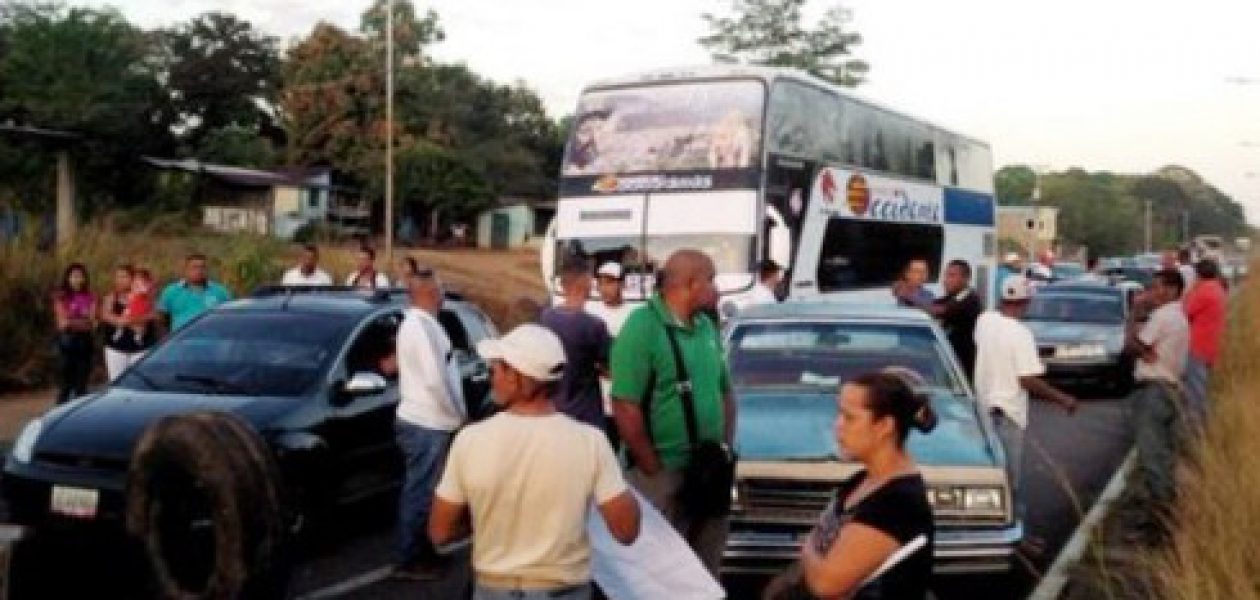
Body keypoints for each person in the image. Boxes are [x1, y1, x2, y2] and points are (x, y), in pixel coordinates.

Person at [429, 324, 641, 600]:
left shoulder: (470, 440)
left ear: (515, 376)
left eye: (496, 368)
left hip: (494, 588)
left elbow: (439, 531)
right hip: (566, 589)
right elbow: (626, 530)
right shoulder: (590, 442)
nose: (491, 377)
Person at [611, 249, 736, 576]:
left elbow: (724, 390)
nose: (716, 289)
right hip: (664, 474)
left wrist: (723, 447)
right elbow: (625, 403)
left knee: (704, 569)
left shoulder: (706, 327)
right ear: (691, 284)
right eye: (711, 280)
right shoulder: (643, 327)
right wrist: (652, 466)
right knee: (661, 573)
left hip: (707, 471)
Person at [766, 370, 937, 600]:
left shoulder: (897, 502)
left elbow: (826, 584)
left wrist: (808, 549)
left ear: (884, 426)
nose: (838, 426)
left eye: (849, 417)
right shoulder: (859, 481)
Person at [973, 275, 1078, 502]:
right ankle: (1017, 531)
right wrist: (1062, 399)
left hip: (982, 410)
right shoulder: (1022, 334)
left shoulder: (985, 321)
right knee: (1010, 481)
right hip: (1008, 412)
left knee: (990, 478)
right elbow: (1027, 379)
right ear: (1026, 302)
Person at [393, 271, 466, 579]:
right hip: (428, 421)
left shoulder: (422, 325)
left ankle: (422, 552)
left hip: (429, 420)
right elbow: (436, 381)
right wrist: (457, 415)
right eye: (439, 289)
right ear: (428, 292)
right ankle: (410, 559)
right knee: (421, 493)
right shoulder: (419, 328)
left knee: (426, 490)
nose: (443, 294)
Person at [1124, 269, 1189, 544]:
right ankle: (1160, 518)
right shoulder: (1179, 317)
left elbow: (1131, 345)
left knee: (1153, 459)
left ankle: (1159, 527)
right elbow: (1144, 349)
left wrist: (1134, 312)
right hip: (1170, 388)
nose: (1152, 292)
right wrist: (1144, 349)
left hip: (1154, 390)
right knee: (1162, 456)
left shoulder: (1163, 316)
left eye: (1158, 287)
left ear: (1172, 290)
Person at [539, 260, 612, 430]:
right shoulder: (594, 325)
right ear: (586, 284)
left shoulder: (545, 318)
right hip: (585, 417)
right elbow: (610, 369)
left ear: (563, 286)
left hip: (551, 412)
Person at [587, 262, 635, 445]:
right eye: (601, 282)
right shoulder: (591, 313)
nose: (604, 288)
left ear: (622, 284)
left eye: (610, 282)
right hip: (597, 401)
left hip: (626, 397)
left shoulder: (633, 314)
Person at [1181, 260, 1226, 429]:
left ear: (1199, 274)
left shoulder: (1204, 291)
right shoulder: (1218, 289)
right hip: (1212, 345)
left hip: (1198, 345)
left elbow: (1186, 310)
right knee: (1202, 388)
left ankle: (1197, 429)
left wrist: (1191, 290)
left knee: (1196, 392)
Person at [925, 260, 984, 379]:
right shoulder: (953, 297)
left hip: (963, 364)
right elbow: (934, 305)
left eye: (951, 275)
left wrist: (910, 296)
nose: (946, 280)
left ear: (965, 279)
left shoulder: (969, 298)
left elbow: (940, 310)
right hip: (950, 361)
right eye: (946, 275)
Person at [99, 265, 157, 381]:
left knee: (139, 381)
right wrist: (132, 321)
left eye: (124, 277)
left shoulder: (145, 298)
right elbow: (106, 316)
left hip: (141, 348)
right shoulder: (110, 298)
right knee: (117, 381)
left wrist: (129, 321)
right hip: (116, 348)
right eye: (118, 277)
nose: (120, 280)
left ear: (133, 279)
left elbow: (154, 315)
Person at [52, 263, 96, 404]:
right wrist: (83, 320)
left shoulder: (91, 296)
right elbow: (63, 323)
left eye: (80, 276)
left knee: (81, 385)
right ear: (68, 278)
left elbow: (93, 322)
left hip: (85, 343)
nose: (77, 279)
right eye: (74, 276)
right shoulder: (61, 297)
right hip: (67, 344)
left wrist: (74, 320)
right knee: (65, 385)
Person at [156, 254, 233, 332]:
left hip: (212, 339)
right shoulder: (171, 291)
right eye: (194, 267)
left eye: (202, 267)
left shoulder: (220, 291)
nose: (199, 271)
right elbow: (162, 319)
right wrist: (168, 340)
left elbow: (229, 318)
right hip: (181, 340)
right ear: (186, 270)